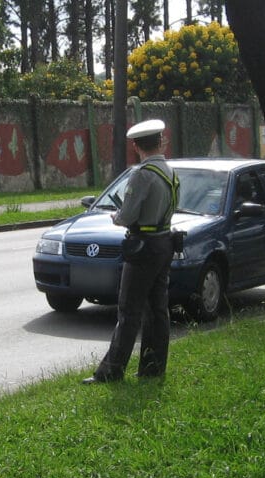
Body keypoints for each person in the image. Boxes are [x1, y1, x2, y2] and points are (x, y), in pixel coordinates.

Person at [82, 119, 179, 384]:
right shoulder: (169, 171)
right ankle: (153, 367)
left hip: (143, 246)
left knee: (128, 311)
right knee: (158, 309)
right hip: (164, 242)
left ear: (136, 146)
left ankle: (111, 371)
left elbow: (127, 216)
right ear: (160, 142)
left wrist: (116, 215)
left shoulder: (141, 174)